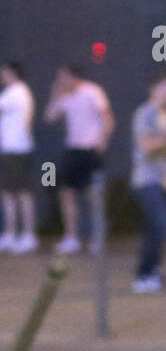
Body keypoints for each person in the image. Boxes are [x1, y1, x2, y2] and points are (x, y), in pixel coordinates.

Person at [44, 64, 114, 254]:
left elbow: (107, 119)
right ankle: (71, 237)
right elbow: (50, 117)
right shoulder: (65, 96)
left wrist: (103, 141)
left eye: (63, 77)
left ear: (73, 76)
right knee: (66, 192)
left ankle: (97, 238)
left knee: (93, 195)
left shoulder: (92, 91)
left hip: (90, 150)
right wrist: (55, 94)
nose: (61, 81)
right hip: (72, 149)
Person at [129, 75, 166, 293]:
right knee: (160, 224)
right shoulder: (145, 113)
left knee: (154, 229)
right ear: (153, 89)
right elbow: (146, 145)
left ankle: (151, 272)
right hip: (147, 179)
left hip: (163, 179)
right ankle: (143, 274)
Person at [0, 60, 38, 254]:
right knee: (9, 193)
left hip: (17, 150)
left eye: (4, 72)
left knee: (21, 193)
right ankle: (11, 234)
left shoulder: (17, 92)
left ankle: (28, 236)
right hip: (11, 151)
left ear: (12, 73)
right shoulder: (13, 92)